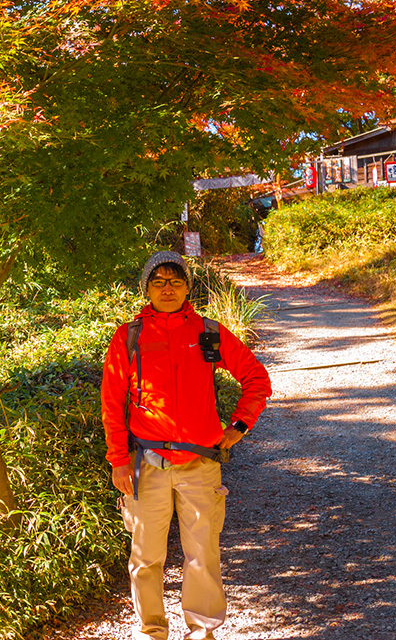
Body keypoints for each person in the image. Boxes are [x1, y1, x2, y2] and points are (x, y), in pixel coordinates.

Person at [100, 251, 272, 640]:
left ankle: (202, 632)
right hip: (147, 464)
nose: (167, 287)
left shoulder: (207, 333)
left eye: (175, 281)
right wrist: (119, 461)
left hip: (201, 465)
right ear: (146, 288)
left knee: (203, 557)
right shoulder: (130, 336)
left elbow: (256, 378)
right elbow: (112, 402)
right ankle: (152, 632)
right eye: (158, 281)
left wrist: (238, 427)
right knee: (146, 558)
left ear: (188, 288)